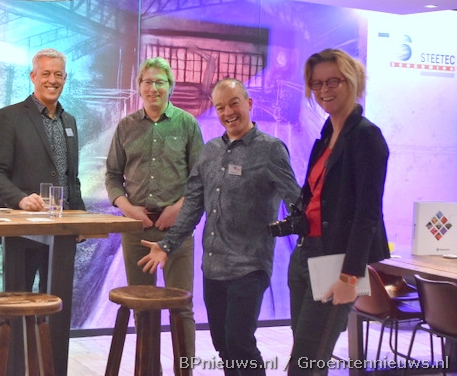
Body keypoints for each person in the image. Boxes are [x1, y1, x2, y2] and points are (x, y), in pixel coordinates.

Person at [139, 78, 301, 375]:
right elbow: (193, 204)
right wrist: (166, 245)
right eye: (220, 107)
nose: (228, 112)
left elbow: (297, 201)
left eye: (234, 104)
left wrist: (297, 230)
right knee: (223, 345)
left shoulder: (270, 150)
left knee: (240, 343)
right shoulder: (210, 151)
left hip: (249, 267)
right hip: (213, 268)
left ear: (248, 103)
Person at [287, 48, 390, 375]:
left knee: (305, 364)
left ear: (353, 81)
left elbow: (367, 214)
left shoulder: (367, 137)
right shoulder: (326, 135)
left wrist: (350, 275)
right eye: (317, 84)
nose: (324, 90)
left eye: (333, 81)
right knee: (306, 355)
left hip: (336, 260)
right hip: (305, 254)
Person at [105, 57, 204, 357]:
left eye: (160, 82)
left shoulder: (187, 124)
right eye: (147, 82)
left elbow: (200, 178)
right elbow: (112, 176)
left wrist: (179, 208)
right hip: (136, 230)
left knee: (181, 306)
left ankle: (184, 370)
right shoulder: (126, 126)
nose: (153, 88)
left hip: (177, 231)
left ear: (170, 86)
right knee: (143, 307)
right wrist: (127, 208)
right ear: (139, 87)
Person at [0, 48, 85, 292]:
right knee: (19, 303)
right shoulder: (9, 117)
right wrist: (20, 199)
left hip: (63, 230)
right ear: (33, 76)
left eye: (58, 74)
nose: (53, 80)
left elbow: (71, 177)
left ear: (65, 78)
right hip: (23, 231)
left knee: (59, 303)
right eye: (46, 73)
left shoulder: (69, 121)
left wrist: (80, 218)